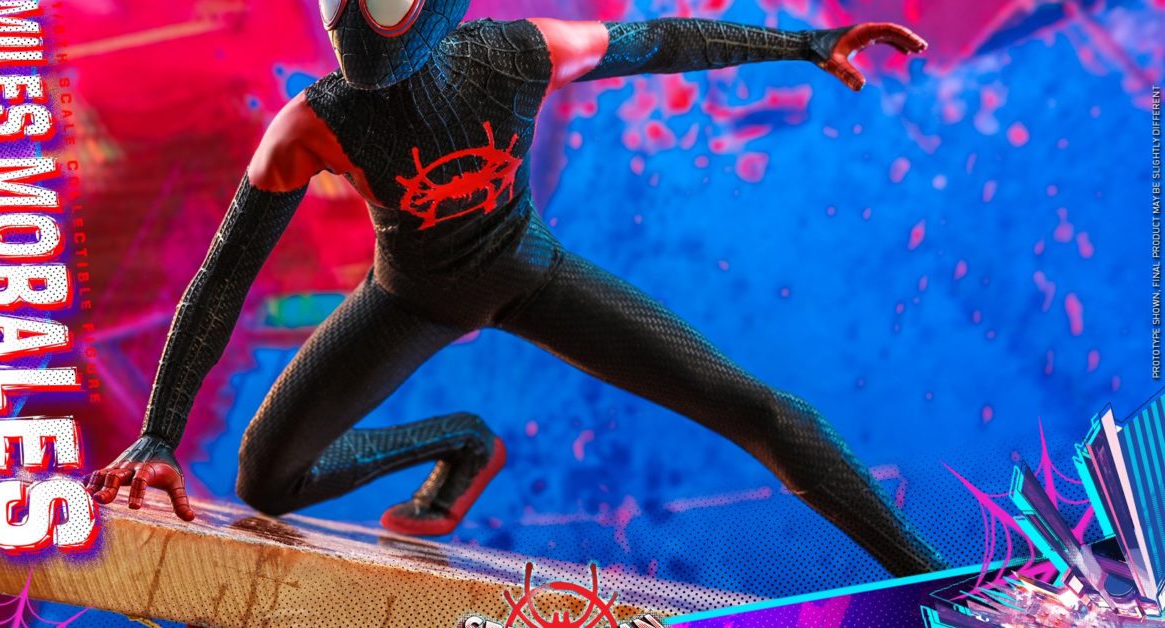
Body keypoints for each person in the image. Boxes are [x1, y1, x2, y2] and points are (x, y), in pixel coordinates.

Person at [87, 0, 946, 575]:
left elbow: (661, 43)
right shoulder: (314, 124)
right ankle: (461, 444)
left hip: (530, 274)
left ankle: (938, 582)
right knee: (266, 481)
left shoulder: (512, 55)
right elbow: (221, 281)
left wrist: (804, 45)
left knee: (758, 411)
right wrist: (159, 432)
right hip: (411, 299)